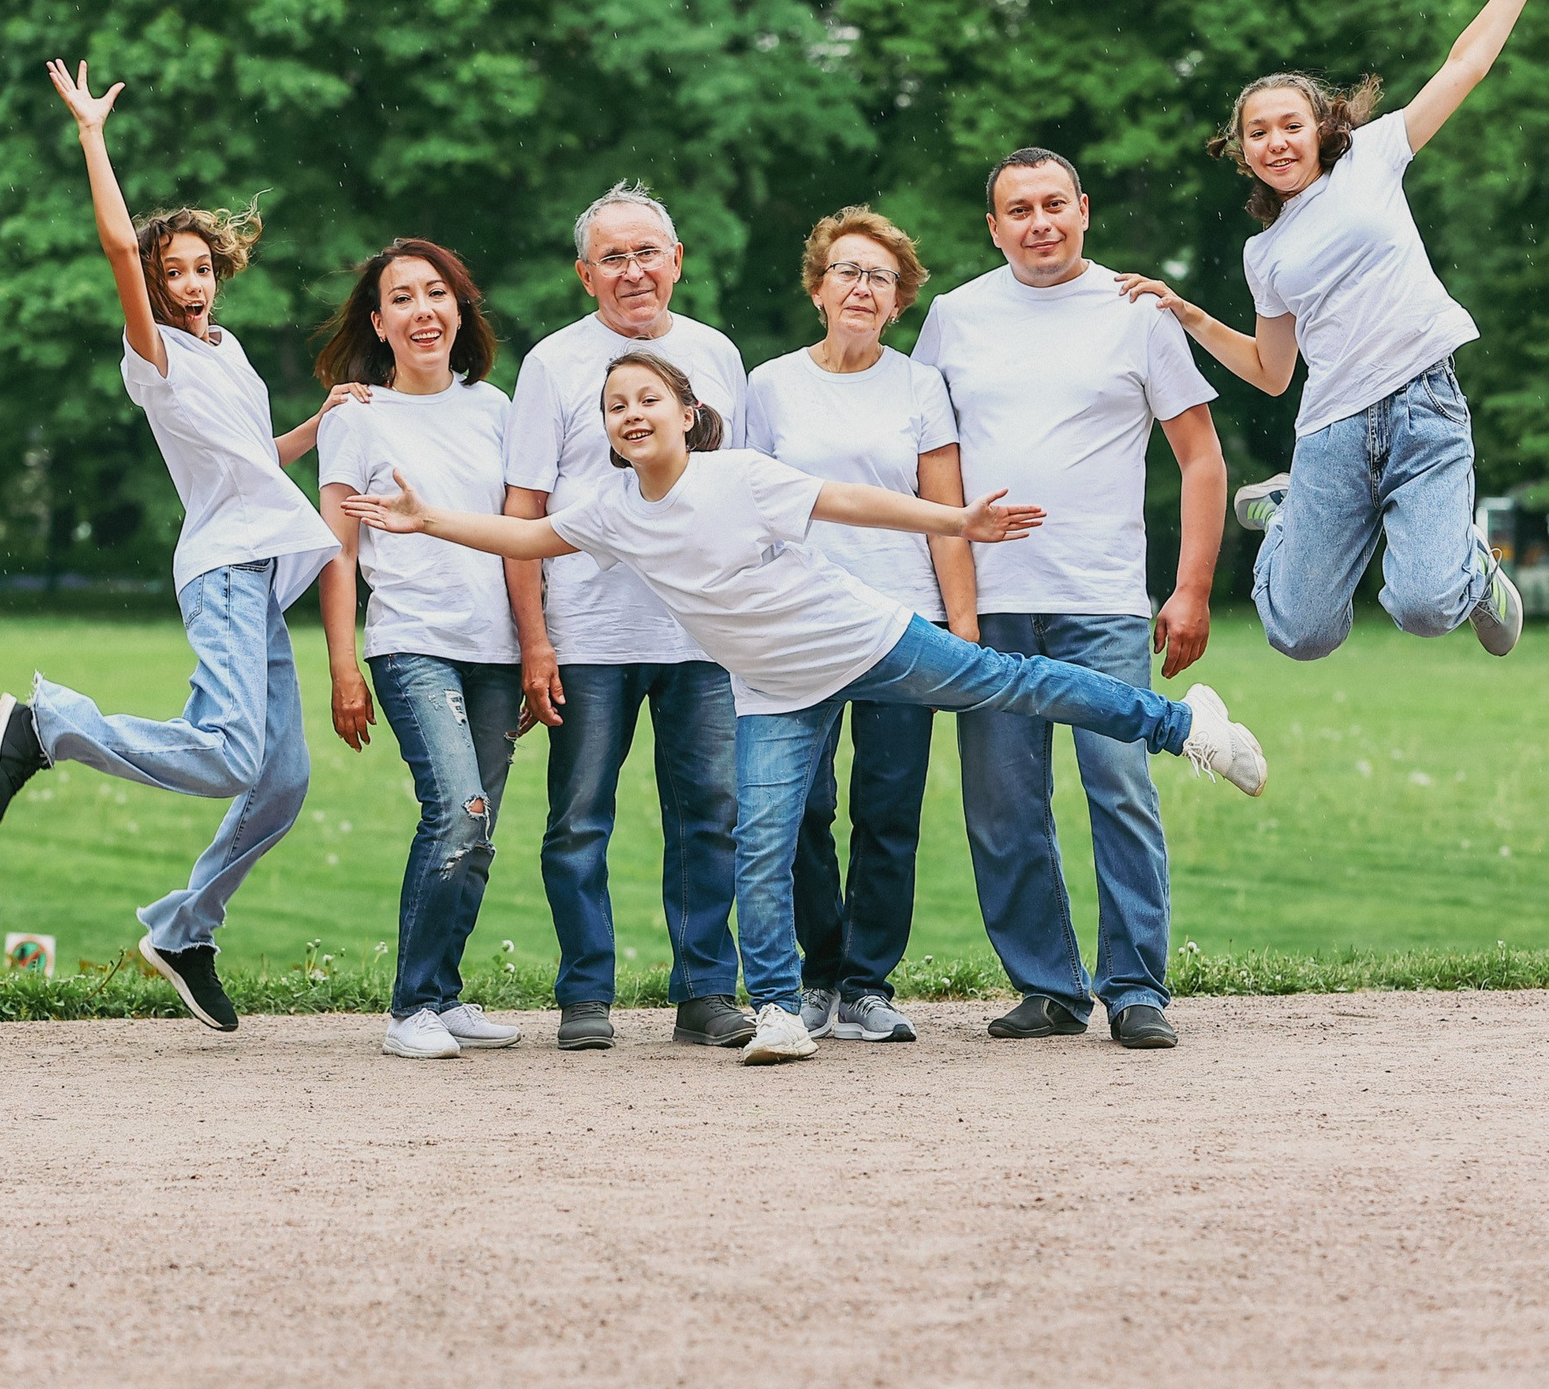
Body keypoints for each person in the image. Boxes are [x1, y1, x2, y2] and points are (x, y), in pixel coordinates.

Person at [341, 352, 1268, 1067]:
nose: (630, 413)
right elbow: (527, 534)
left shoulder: (738, 475)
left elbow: (852, 501)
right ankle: (781, 1011)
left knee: (1019, 682)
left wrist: (957, 522)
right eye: (615, 405)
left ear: (686, 413)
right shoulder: (612, 507)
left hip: (863, 637)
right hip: (773, 688)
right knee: (761, 842)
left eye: (647, 398)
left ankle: (1186, 726)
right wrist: (430, 520)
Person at [0, 59, 343, 1035]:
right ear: (151, 282)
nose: (187, 283)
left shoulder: (229, 352)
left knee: (282, 780)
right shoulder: (155, 353)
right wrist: (91, 134)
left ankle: (184, 930)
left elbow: (251, 457)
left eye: (198, 268)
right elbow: (112, 239)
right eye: (170, 271)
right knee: (229, 753)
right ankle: (48, 727)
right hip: (221, 568)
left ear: (218, 271)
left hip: (259, 572)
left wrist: (321, 423)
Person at [1121, 0, 1544, 664]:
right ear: (1242, 151)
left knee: (1424, 606)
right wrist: (1188, 313)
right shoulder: (1264, 253)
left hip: (1423, 406)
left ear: (1322, 129)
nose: (1276, 141)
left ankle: (1474, 569)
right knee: (1300, 632)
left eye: (1291, 124)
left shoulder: (1373, 158)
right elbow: (1272, 371)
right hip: (1331, 432)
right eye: (1257, 132)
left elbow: (1467, 63)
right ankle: (1291, 516)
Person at [913, 146, 1226, 1050]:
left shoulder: (1138, 312)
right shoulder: (955, 316)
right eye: (1019, 210)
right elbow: (928, 458)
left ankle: (1135, 988)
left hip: (1102, 594)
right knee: (1002, 801)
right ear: (993, 227)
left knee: (1118, 785)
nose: (1039, 223)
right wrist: (946, 597)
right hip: (988, 600)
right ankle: (1048, 985)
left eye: (1055, 204)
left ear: (1084, 209)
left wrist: (1192, 587)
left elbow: (1201, 458)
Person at [499, 181, 748, 1054]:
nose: (633, 271)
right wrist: (535, 640)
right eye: (613, 257)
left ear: (676, 259)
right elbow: (523, 509)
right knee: (578, 817)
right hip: (590, 633)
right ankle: (584, 993)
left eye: (647, 252)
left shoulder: (716, 354)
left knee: (710, 813)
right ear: (585, 274)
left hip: (702, 632)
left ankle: (706, 992)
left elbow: (740, 492)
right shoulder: (552, 364)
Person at [743, 207, 974, 1046]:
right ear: (817, 287)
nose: (862, 287)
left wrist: (963, 629)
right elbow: (747, 508)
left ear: (900, 299)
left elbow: (947, 513)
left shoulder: (919, 386)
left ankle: (868, 984)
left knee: (889, 806)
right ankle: (819, 973)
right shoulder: (770, 386)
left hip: (901, 622)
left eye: (881, 277)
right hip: (797, 626)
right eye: (846, 270)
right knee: (802, 808)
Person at [314, 238, 526, 1061]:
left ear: (459, 309)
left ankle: (443, 992)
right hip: (411, 643)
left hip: (495, 650)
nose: (422, 310)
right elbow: (337, 551)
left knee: (480, 831)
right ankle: (410, 1009)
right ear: (379, 323)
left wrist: (534, 646)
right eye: (401, 298)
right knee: (457, 811)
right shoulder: (357, 416)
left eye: (435, 293)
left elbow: (519, 535)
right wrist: (343, 665)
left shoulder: (495, 408)